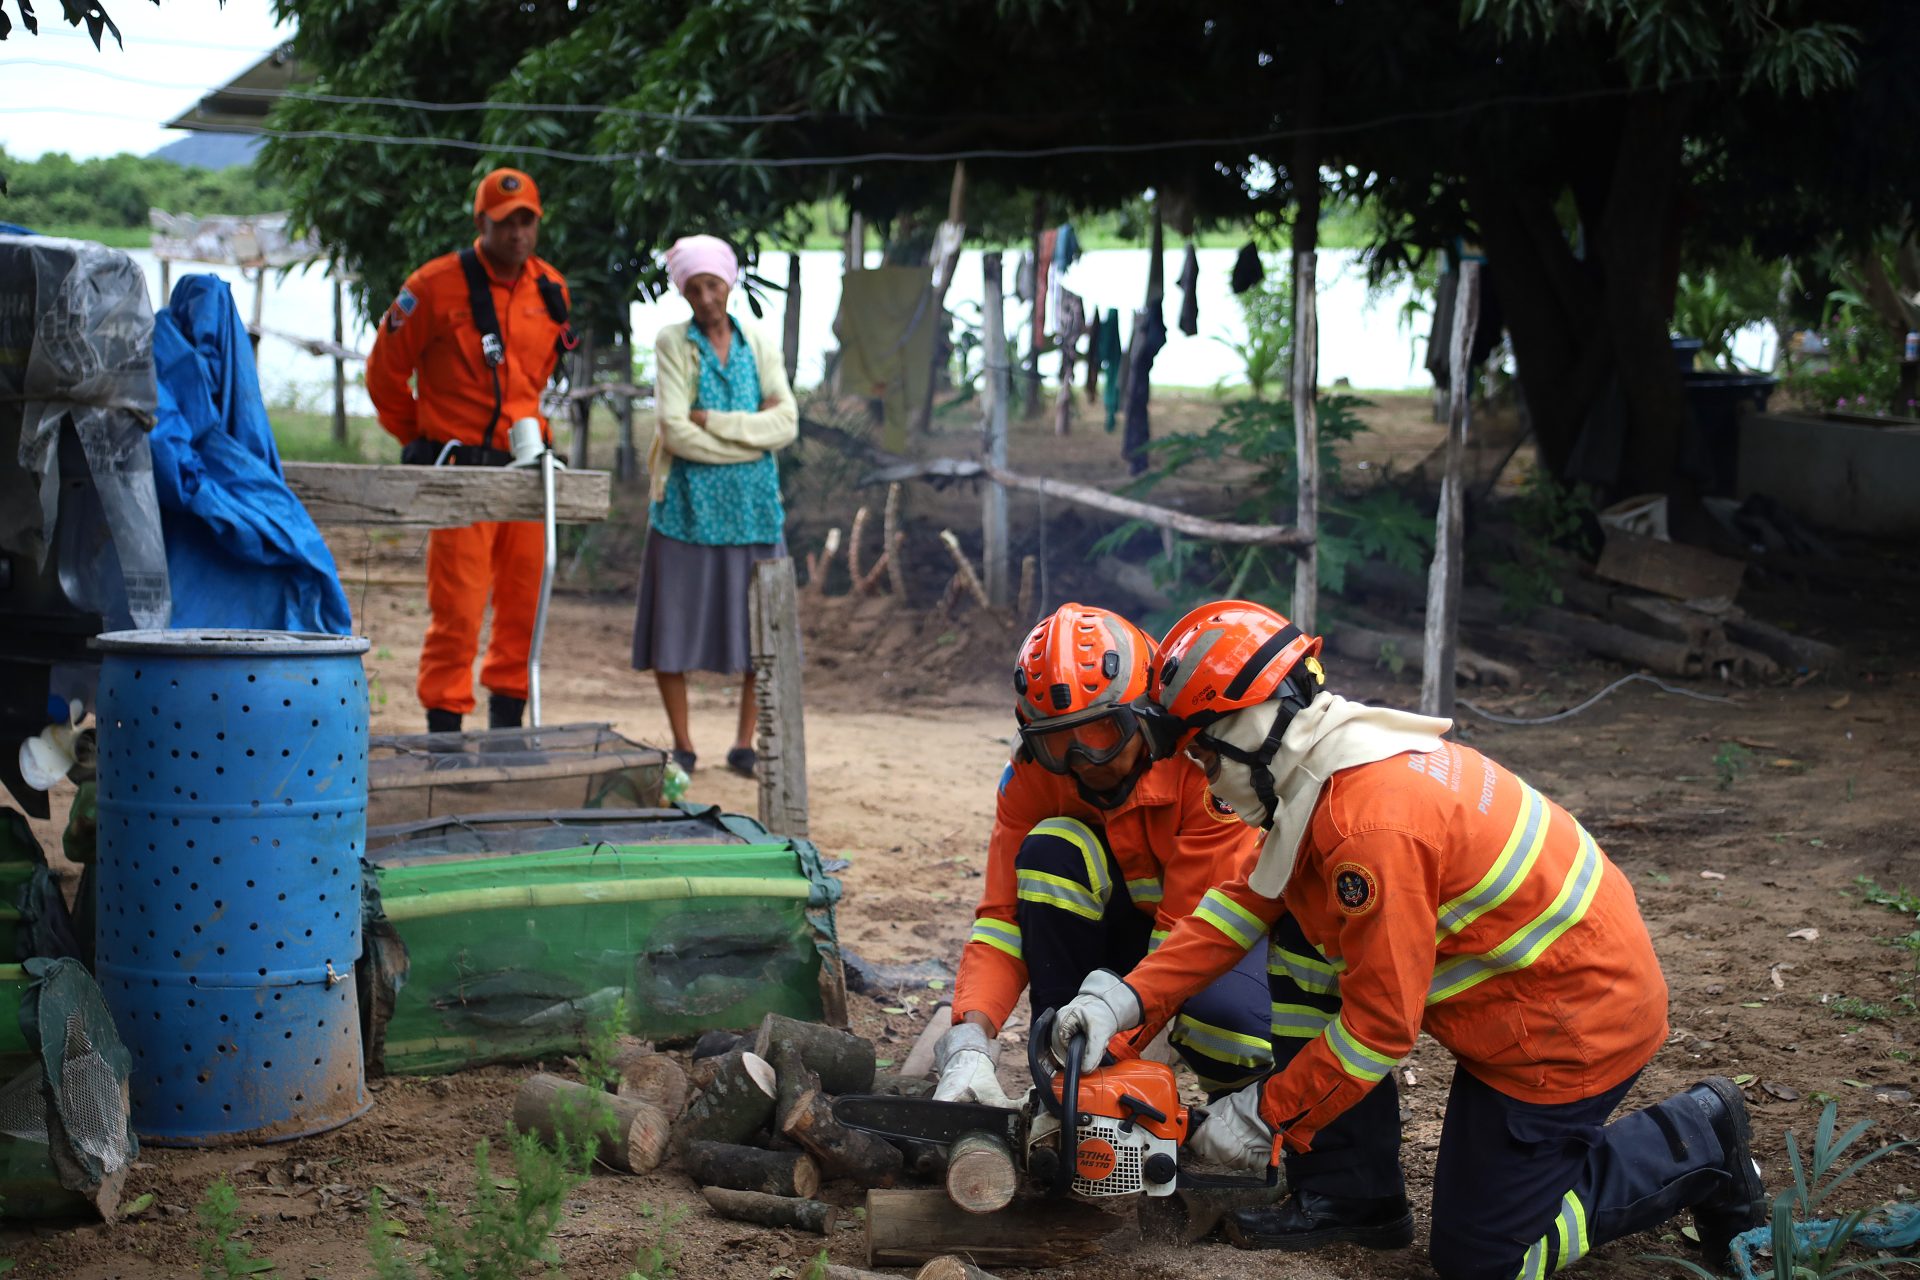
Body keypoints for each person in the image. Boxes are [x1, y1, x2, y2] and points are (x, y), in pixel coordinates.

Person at [1052, 599, 1766, 1277]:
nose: (1206, 784)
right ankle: (1355, 1192)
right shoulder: (1327, 768)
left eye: (1207, 759)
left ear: (1253, 727)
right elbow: (1243, 902)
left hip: (1568, 1031)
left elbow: (1379, 1030)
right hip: (1523, 1008)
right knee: (1303, 926)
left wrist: (1262, 1115)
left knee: (1483, 1261)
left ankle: (1699, 1137)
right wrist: (1127, 998)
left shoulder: (1367, 828)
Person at [934, 603, 1273, 1110]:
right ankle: (1060, 1042)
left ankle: (1245, 1106)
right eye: (1058, 743)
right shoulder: (1032, 774)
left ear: (1144, 714)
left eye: (1100, 735)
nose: (1083, 761)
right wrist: (970, 1037)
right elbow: (1002, 921)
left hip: (1215, 936)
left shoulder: (1203, 768)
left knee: (1225, 1024)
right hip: (1128, 943)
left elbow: (1188, 936)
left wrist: (1113, 1042)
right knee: (1053, 849)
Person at [366, 167, 574, 736]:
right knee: (457, 610)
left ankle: (508, 735)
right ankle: (445, 738)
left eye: (526, 221)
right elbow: (384, 374)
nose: (517, 234)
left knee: (524, 606)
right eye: (505, 223)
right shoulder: (432, 286)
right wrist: (421, 440)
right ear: (480, 221)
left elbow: (541, 375)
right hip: (460, 473)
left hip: (529, 475)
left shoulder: (550, 288)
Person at [632, 235, 796, 776]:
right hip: (686, 510)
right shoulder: (672, 343)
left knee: (759, 630)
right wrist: (751, 437)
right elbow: (675, 432)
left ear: (730, 283)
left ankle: (744, 745)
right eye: (694, 288)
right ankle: (683, 744)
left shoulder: (759, 341)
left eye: (714, 285)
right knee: (671, 630)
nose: (706, 298)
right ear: (682, 291)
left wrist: (717, 423)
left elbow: (787, 423)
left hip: (754, 509)